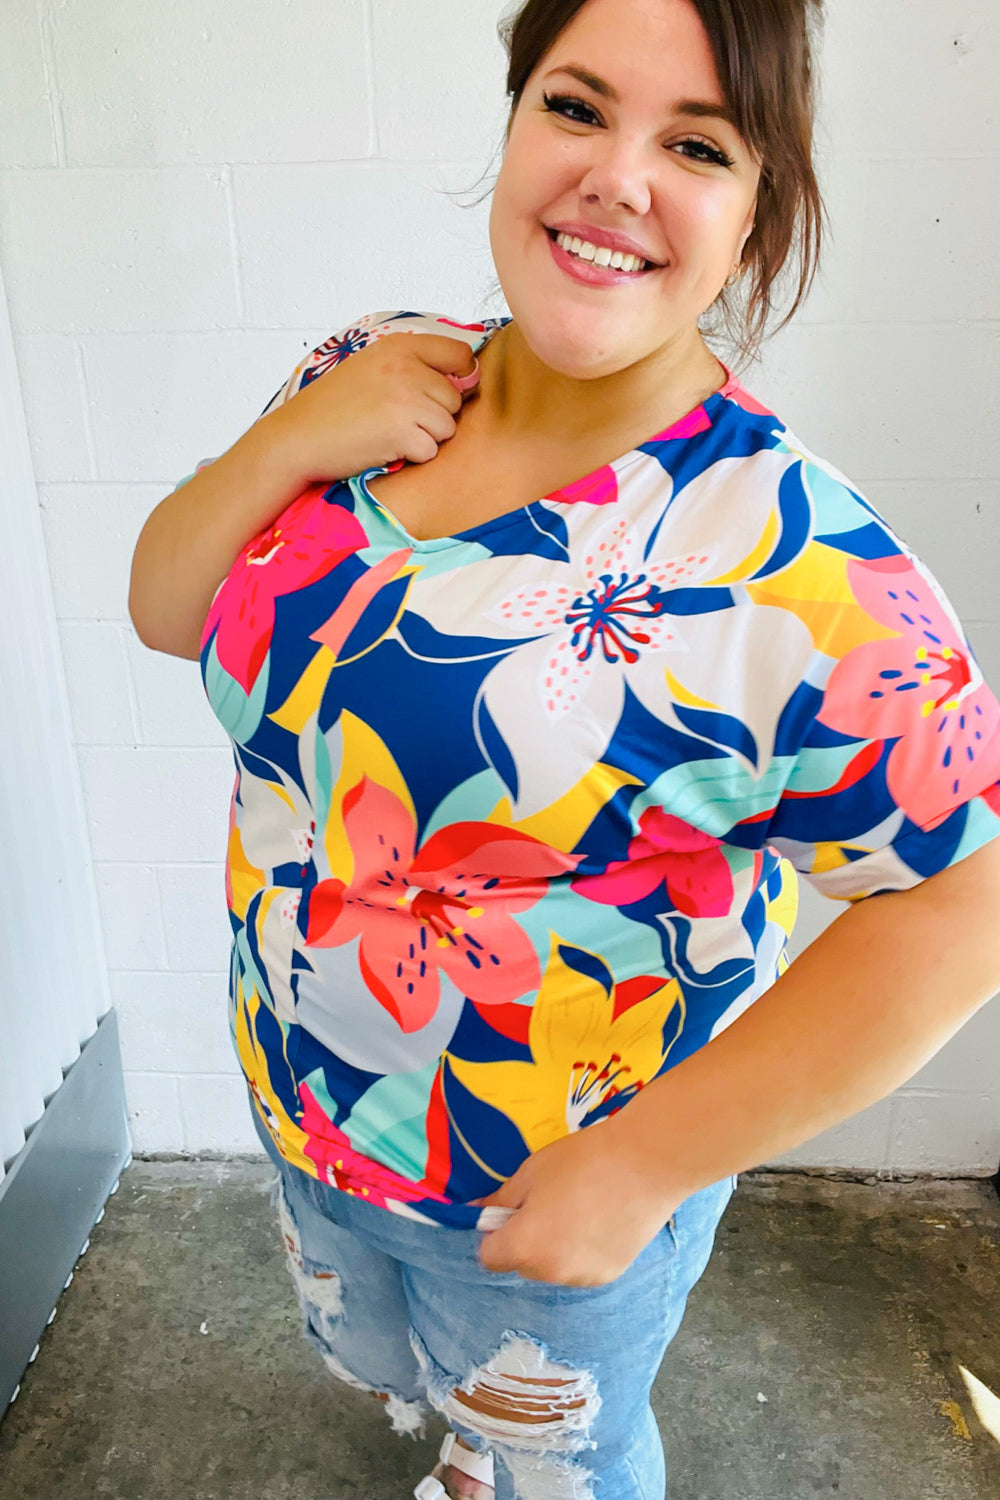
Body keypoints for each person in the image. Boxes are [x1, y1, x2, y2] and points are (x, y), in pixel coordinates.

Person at [128, 1, 1000, 1496]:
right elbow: (165, 611)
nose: (617, 177)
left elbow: (966, 897)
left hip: (538, 1201)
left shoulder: (797, 565)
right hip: (306, 1110)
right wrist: (290, 441)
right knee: (400, 1378)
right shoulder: (373, 372)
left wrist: (642, 1166)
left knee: (551, 1466)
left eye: (698, 146)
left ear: (757, 210)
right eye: (578, 108)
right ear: (517, 117)